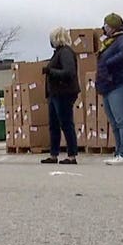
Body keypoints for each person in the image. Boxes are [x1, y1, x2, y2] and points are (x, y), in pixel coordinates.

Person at [96, 13, 123, 165]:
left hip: (121, 85)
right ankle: (118, 153)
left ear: (112, 27)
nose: (104, 28)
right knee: (114, 123)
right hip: (109, 86)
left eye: (106, 25)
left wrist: (108, 63)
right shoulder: (110, 42)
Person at [40, 27, 80, 165]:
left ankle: (72, 155)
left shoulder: (65, 53)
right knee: (54, 125)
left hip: (64, 93)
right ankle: (53, 154)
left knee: (66, 124)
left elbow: (69, 72)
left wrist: (50, 71)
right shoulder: (58, 53)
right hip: (55, 94)